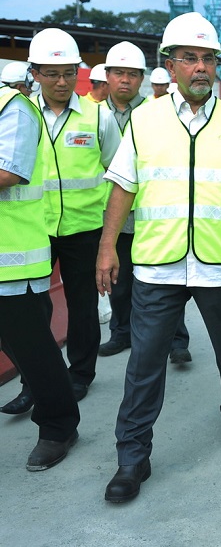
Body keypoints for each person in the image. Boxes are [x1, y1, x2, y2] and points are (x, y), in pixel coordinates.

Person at [95, 12, 221, 503]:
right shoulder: (145, 119)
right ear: (171, 65)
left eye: (208, 59)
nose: (201, 68)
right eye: (190, 58)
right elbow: (122, 188)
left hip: (219, 262)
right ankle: (132, 457)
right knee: (145, 362)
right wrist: (106, 248)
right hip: (158, 262)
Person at [17, 29, 121, 408]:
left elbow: (118, 172)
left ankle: (80, 375)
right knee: (30, 310)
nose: (61, 82)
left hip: (84, 230)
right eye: (51, 73)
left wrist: (109, 235)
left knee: (82, 307)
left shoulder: (98, 116)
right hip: (34, 230)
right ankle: (34, 380)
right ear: (35, 73)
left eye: (68, 73)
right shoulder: (20, 115)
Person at [0, 70, 81, 472]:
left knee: (33, 349)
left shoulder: (12, 109)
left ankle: (58, 425)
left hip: (11, 256)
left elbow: (7, 173)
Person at [96, 41, 192, 363]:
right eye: (119, 73)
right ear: (107, 76)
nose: (125, 80)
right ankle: (121, 333)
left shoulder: (160, 114)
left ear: (143, 79)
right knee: (120, 283)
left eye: (133, 74)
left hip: (155, 215)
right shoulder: (92, 115)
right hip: (116, 216)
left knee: (167, 280)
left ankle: (177, 341)